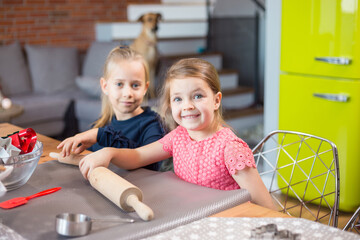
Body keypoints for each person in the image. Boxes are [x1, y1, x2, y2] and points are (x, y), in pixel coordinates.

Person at [61, 58, 275, 210]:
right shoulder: (178, 137)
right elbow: (137, 157)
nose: (188, 106)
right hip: (186, 215)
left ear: (216, 100)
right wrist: (109, 152)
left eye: (198, 96)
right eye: (178, 99)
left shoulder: (231, 148)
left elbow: (265, 206)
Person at [57, 46, 165, 171]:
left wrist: (102, 136)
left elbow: (152, 165)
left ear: (145, 88)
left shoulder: (153, 124)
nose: (127, 93)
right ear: (105, 86)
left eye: (135, 85)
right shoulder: (102, 124)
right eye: (119, 84)